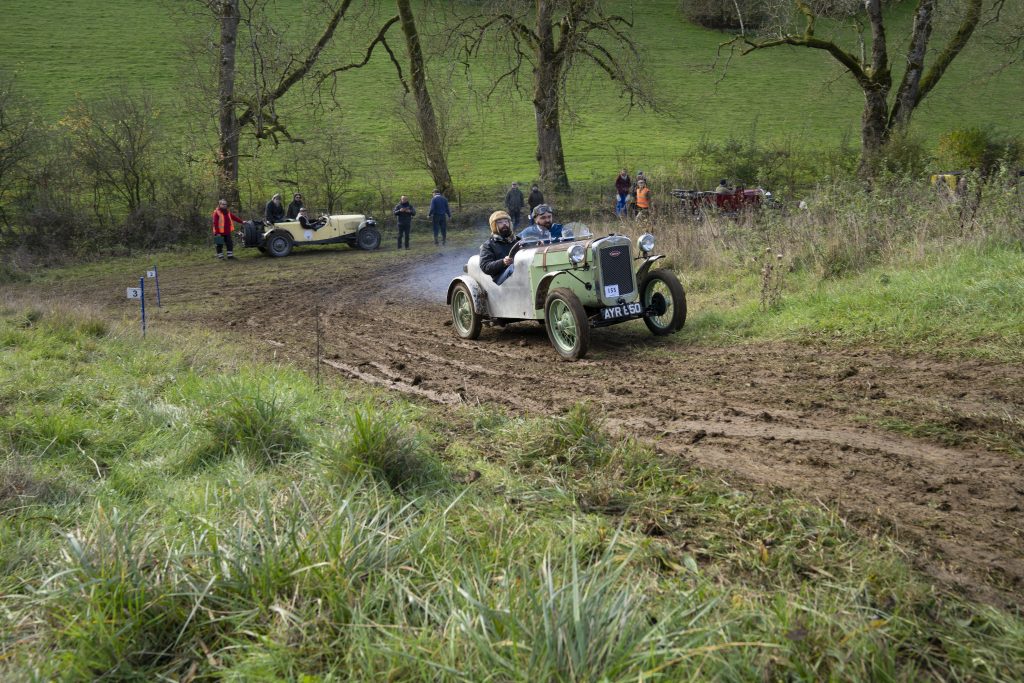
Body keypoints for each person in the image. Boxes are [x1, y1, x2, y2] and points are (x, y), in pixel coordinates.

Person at [479, 210, 519, 285]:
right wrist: (503, 262)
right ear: (494, 225)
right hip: (501, 279)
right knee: (512, 269)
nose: (504, 224)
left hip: (520, 274)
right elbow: (485, 266)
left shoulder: (518, 241)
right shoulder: (488, 245)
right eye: (500, 222)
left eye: (506, 221)